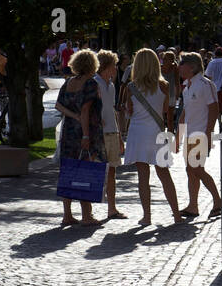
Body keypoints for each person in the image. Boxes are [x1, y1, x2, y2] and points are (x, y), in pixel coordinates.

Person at [123, 48, 182, 228]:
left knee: (143, 177)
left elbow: (128, 112)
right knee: (164, 174)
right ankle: (176, 214)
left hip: (138, 133)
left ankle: (147, 216)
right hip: (157, 132)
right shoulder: (164, 86)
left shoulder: (131, 88)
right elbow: (167, 112)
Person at [55, 47, 105, 228]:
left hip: (68, 132)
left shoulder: (69, 82)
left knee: (68, 170)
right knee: (86, 171)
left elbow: (59, 105)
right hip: (86, 132)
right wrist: (85, 134)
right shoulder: (90, 83)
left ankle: (67, 215)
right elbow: (85, 110)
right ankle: (86, 215)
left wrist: (73, 116)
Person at [177, 52, 221, 219]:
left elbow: (214, 109)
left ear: (192, 67)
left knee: (196, 168)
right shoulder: (187, 86)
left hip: (200, 133)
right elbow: (184, 113)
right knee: (191, 170)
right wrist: (178, 136)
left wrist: (208, 133)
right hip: (190, 134)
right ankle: (193, 206)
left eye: (182, 63)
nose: (179, 67)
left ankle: (218, 201)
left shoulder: (205, 84)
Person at [95, 49, 125, 219]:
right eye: (114, 65)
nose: (116, 68)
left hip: (112, 132)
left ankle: (112, 208)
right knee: (96, 171)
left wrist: (119, 135)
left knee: (112, 171)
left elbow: (112, 110)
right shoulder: (94, 83)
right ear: (105, 66)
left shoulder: (111, 85)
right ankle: (88, 211)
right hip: (98, 134)